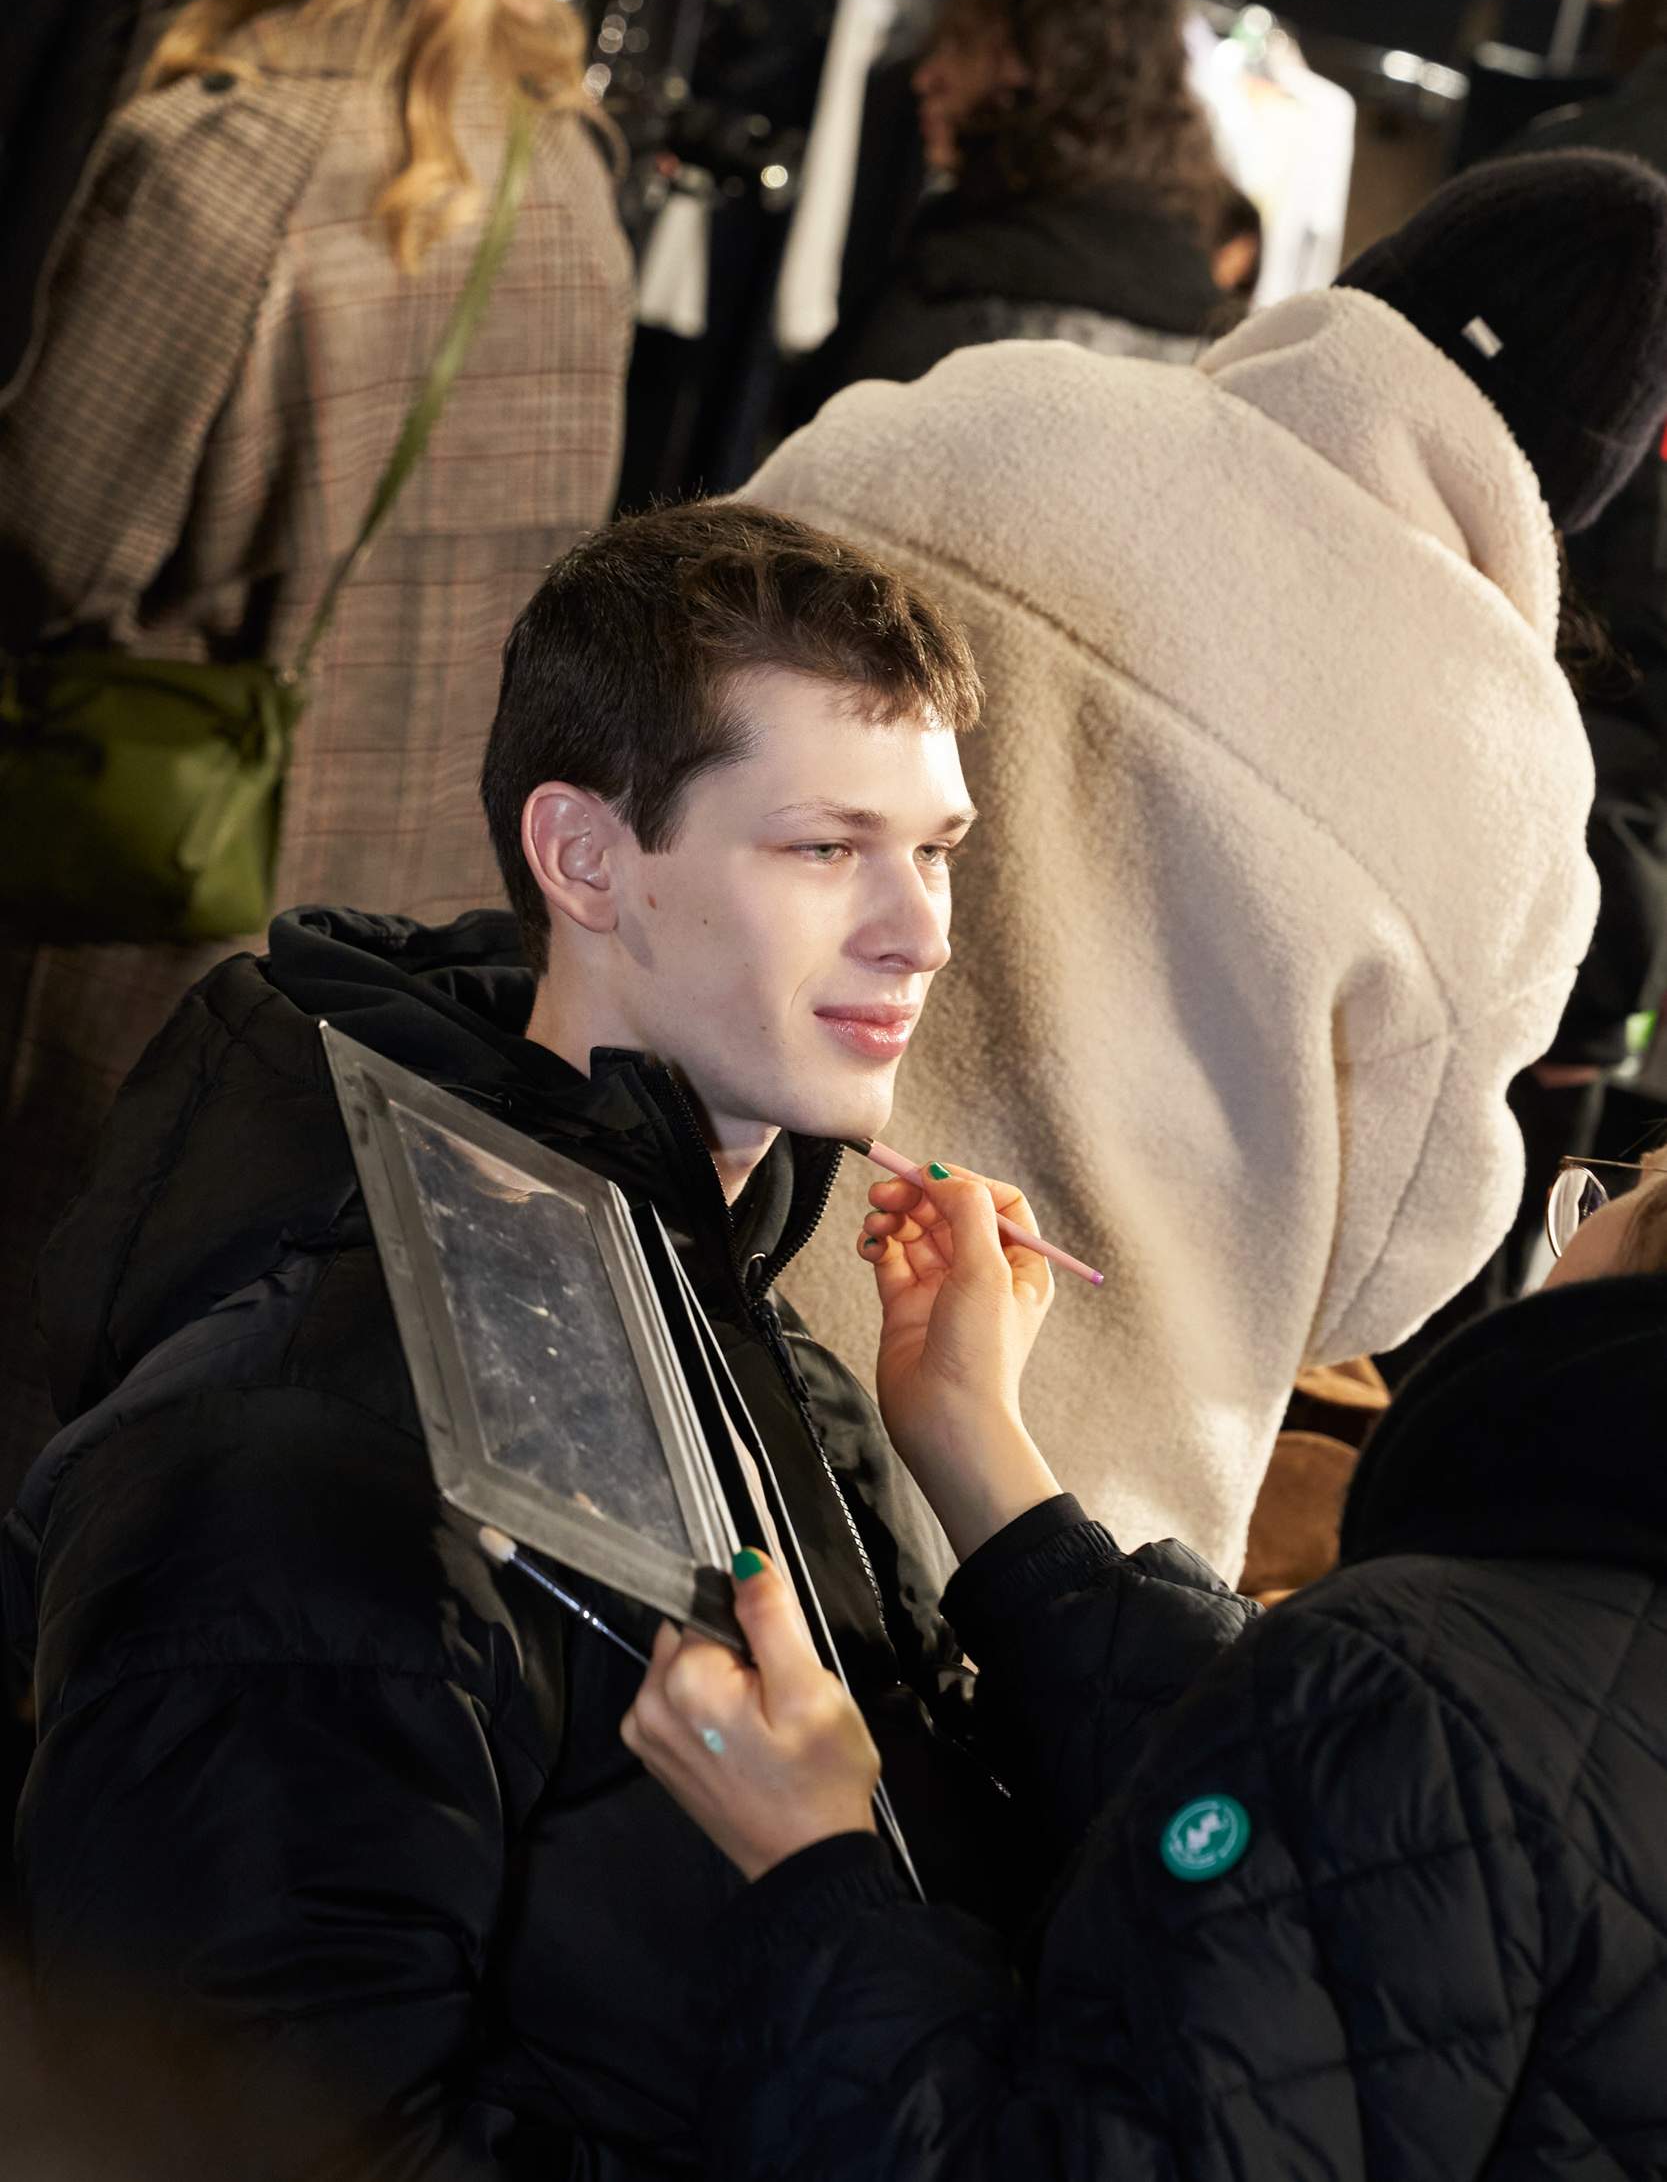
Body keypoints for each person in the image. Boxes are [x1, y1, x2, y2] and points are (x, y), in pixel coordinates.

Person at [1, 503, 1027, 2178]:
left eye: (937, 849)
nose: (917, 929)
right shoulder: (297, 1440)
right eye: (825, 847)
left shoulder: (762, 1341)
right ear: (582, 857)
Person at [744, 149, 1667, 1584]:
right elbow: (1373, 1286)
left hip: (675, 1261)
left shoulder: (972, 405)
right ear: (1575, 490)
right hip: (1041, 1517)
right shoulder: (1501, 759)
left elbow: (643, 714)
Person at [0, 0, 635, 1515]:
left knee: (31, 1381)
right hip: (403, 944)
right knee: (219, 1440)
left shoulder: (225, 154)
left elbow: (57, 539)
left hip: (139, 912)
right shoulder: (567, 187)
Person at [623, 1137, 1667, 2181]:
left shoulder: (1422, 1682)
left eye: (1605, 1202)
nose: (930, 958)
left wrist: (810, 1870)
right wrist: (978, 1447)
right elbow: (1315, 1859)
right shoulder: (1521, 1671)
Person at [798, 0, 1230, 413]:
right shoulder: (1203, 325)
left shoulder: (963, 294)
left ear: (1051, 70)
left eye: (961, 45)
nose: (925, 77)